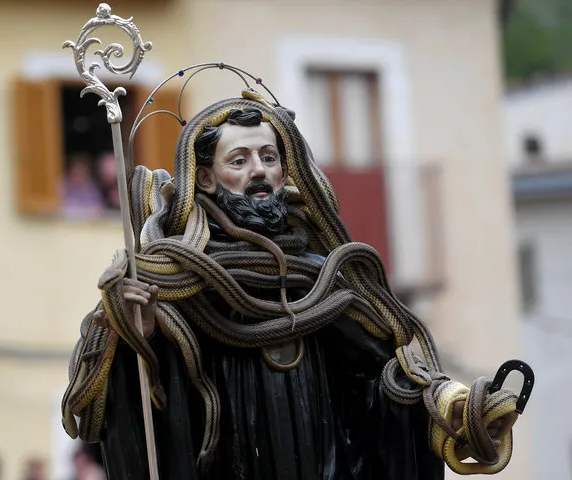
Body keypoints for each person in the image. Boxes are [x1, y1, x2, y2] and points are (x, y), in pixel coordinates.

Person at [63, 91, 522, 479]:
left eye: (268, 157)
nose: (258, 171)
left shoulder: (322, 276)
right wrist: (139, 337)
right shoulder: (182, 281)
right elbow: (146, 407)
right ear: (204, 179)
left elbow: (382, 372)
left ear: (287, 171)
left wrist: (447, 403)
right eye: (238, 160)